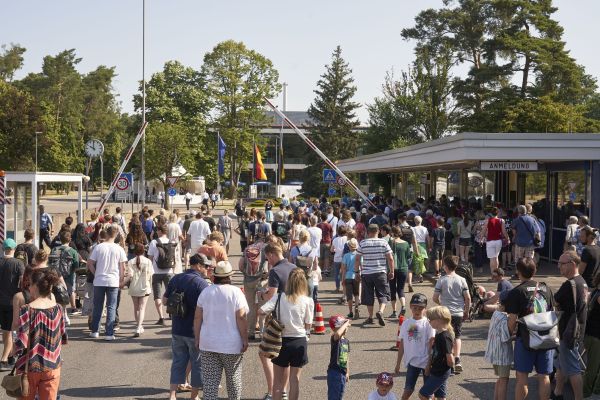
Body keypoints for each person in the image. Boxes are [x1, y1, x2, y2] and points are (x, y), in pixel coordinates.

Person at [194, 261, 249, 400]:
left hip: (208, 343)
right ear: (229, 276)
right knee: (233, 380)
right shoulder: (236, 292)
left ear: (215, 276)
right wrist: (245, 339)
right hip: (231, 344)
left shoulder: (206, 292)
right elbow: (241, 318)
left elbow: (197, 317)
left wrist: (197, 338)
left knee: (210, 384)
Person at [503, 257, 554, 400]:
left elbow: (512, 319)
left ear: (518, 272)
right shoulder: (546, 288)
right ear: (534, 270)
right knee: (544, 377)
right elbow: (551, 311)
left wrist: (507, 334)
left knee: (522, 377)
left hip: (526, 339)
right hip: (545, 338)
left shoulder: (517, 292)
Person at [12, 269, 67, 400]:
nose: (29, 288)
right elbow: (62, 336)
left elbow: (22, 341)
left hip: (29, 366)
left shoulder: (27, 310)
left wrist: (12, 350)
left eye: (30, 284)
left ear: (36, 286)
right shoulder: (58, 308)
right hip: (52, 365)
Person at [259, 268, 314, 400]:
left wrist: (265, 326)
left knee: (277, 382)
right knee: (295, 380)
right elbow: (308, 324)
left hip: (280, 341)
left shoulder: (279, 297)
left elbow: (261, 311)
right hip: (299, 340)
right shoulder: (307, 301)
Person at [165, 253, 211, 400]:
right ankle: (194, 396)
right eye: (205, 266)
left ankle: (172, 395)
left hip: (177, 328)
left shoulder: (176, 278)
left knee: (178, 361)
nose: (207, 268)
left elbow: (165, 301)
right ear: (197, 265)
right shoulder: (201, 283)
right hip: (194, 330)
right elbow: (207, 307)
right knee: (197, 363)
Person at [552, 251, 588, 400]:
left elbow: (554, 301)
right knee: (561, 363)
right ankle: (557, 393)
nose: (559, 266)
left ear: (572, 264)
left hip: (569, 331)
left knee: (573, 369)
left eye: (562, 264)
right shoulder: (582, 282)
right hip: (575, 329)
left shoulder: (570, 284)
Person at [88, 226, 127, 341]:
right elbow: (123, 267)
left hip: (99, 280)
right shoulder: (119, 249)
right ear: (115, 236)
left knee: (98, 306)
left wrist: (96, 273)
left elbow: (90, 263)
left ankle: (95, 331)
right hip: (113, 281)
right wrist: (121, 279)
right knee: (111, 307)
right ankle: (109, 333)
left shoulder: (99, 247)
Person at [433, 256, 470, 374]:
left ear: (445, 266)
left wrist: (442, 304)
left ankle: (446, 359)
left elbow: (435, 297)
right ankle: (457, 358)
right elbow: (467, 298)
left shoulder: (442, 280)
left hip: (445, 313)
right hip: (458, 312)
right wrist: (466, 311)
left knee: (445, 336)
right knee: (457, 336)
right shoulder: (462, 280)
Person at [394, 293, 435, 400]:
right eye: (414, 307)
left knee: (428, 393)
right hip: (412, 362)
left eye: (420, 308)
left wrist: (429, 364)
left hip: (426, 362)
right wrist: (398, 363)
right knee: (408, 390)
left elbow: (432, 344)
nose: (417, 310)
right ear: (410, 307)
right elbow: (402, 344)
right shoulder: (406, 323)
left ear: (425, 309)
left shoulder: (428, 324)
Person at [355, 224, 394, 327]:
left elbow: (357, 258)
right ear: (378, 231)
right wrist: (392, 271)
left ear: (368, 232)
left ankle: (371, 317)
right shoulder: (383, 242)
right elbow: (390, 258)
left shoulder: (363, 243)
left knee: (368, 296)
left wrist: (356, 272)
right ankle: (380, 311)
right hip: (380, 272)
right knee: (383, 294)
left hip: (367, 273)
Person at [0, 238, 24, 371]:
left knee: (6, 331)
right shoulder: (18, 264)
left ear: (4, 249)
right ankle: (3, 360)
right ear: (14, 249)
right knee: (11, 331)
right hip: (12, 302)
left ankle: (10, 357)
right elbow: (22, 282)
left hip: (1, 302)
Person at [484, 298, 513, 400]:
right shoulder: (504, 318)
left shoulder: (496, 314)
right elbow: (505, 337)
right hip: (502, 354)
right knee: (504, 380)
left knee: (501, 379)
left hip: (494, 351)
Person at [148, 225, 174, 326]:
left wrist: (149, 271)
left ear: (159, 231)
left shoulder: (154, 242)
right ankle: (171, 312)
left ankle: (161, 317)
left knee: (157, 295)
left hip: (156, 271)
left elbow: (150, 257)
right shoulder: (171, 242)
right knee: (170, 293)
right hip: (169, 271)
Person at [127, 243, 153, 337]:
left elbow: (130, 276)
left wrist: (122, 283)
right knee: (142, 308)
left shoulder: (130, 261)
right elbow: (150, 275)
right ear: (143, 251)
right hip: (144, 287)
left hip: (134, 287)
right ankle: (139, 327)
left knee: (136, 308)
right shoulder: (148, 261)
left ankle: (138, 326)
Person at [327, 315, 351, 400]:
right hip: (334, 372)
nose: (346, 328)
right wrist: (346, 323)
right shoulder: (335, 338)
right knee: (333, 397)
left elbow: (346, 357)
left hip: (342, 373)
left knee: (340, 396)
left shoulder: (346, 341)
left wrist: (347, 372)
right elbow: (337, 333)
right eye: (344, 327)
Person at [389, 226, 412, 318]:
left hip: (392, 268)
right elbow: (408, 256)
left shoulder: (390, 243)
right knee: (401, 289)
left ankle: (394, 311)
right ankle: (403, 306)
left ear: (392, 233)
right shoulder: (406, 243)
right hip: (403, 268)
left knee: (392, 289)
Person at [584, 272, 600, 398]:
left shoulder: (595, 291)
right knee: (593, 369)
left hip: (592, 334)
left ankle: (594, 391)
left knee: (593, 367)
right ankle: (586, 393)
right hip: (595, 336)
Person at [482, 207, 510, 276]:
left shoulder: (487, 220)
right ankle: (497, 273)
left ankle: (493, 274)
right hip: (498, 241)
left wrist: (481, 238)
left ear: (491, 213)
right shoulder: (501, 220)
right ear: (498, 213)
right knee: (496, 257)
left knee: (492, 258)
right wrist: (508, 238)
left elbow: (484, 230)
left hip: (490, 241)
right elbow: (504, 231)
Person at [340, 238, 360, 319]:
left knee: (349, 296)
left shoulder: (346, 256)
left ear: (349, 246)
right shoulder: (359, 255)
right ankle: (357, 307)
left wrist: (343, 279)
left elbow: (344, 269)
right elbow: (361, 266)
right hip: (356, 276)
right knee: (356, 294)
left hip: (348, 276)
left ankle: (350, 312)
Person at [331, 226, 349, 292]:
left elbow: (332, 250)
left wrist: (335, 250)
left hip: (336, 259)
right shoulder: (347, 239)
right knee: (345, 273)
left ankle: (337, 287)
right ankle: (345, 287)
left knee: (337, 274)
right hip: (345, 259)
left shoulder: (335, 239)